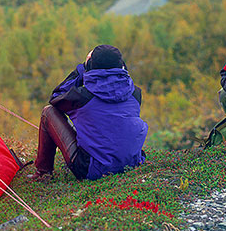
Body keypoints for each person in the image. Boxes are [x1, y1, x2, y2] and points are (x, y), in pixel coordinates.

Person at [31, 45, 148, 181]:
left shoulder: (81, 97)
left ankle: (43, 172)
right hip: (132, 164)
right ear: (121, 66)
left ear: (91, 65)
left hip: (90, 170)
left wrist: (82, 69)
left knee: (48, 112)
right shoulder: (135, 93)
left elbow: (56, 97)